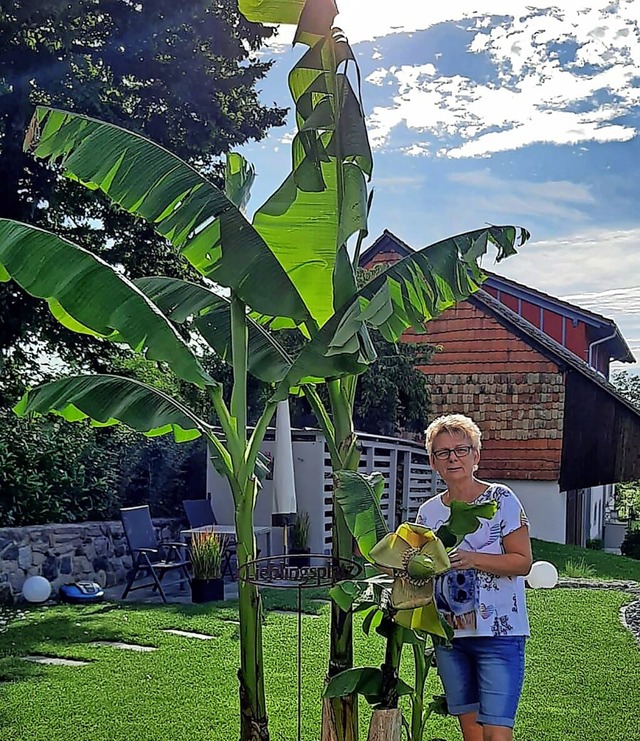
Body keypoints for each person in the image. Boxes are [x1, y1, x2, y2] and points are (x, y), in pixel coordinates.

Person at [416, 413, 532, 741]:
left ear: (476, 456)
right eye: (443, 452)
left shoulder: (501, 499)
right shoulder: (428, 513)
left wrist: (472, 559)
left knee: (497, 733)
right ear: (433, 462)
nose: (452, 457)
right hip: (451, 636)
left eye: (461, 449)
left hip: (500, 633)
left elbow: (522, 562)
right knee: (472, 734)